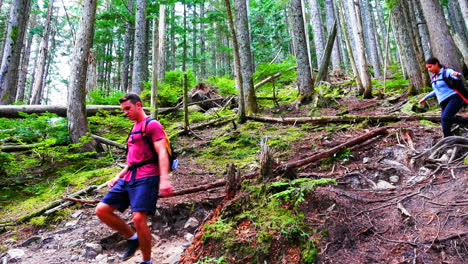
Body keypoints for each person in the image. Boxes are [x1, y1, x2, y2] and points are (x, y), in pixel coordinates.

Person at [95, 93, 174, 264]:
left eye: (128, 108)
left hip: (148, 176)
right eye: (123, 110)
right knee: (102, 210)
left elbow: (161, 152)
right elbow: (131, 161)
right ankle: (133, 238)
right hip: (129, 177)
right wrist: (117, 177)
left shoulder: (152, 125)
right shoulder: (133, 129)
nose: (126, 113)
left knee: (138, 217)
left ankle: (146, 261)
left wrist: (165, 179)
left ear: (138, 105)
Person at [419, 57, 468, 137]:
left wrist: (455, 74)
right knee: (445, 125)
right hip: (443, 102)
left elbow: (454, 74)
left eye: (430, 67)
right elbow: (436, 91)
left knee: (446, 117)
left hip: (454, 98)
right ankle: (448, 142)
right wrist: (425, 98)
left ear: (436, 64)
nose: (429, 69)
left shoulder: (446, 71)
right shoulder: (434, 77)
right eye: (427, 68)